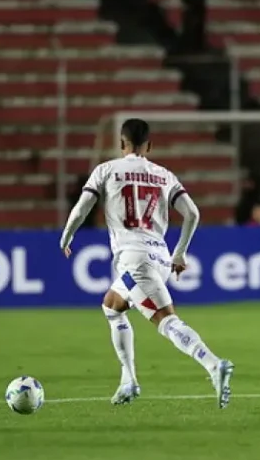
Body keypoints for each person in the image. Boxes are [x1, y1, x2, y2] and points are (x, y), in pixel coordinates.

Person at [59, 118, 234, 408]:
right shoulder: (164, 175)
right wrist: (180, 253)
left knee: (167, 322)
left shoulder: (106, 170)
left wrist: (66, 236)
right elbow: (192, 213)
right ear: (149, 146)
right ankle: (129, 380)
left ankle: (214, 364)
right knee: (111, 307)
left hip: (134, 261)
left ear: (120, 143)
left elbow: (81, 209)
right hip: (159, 257)